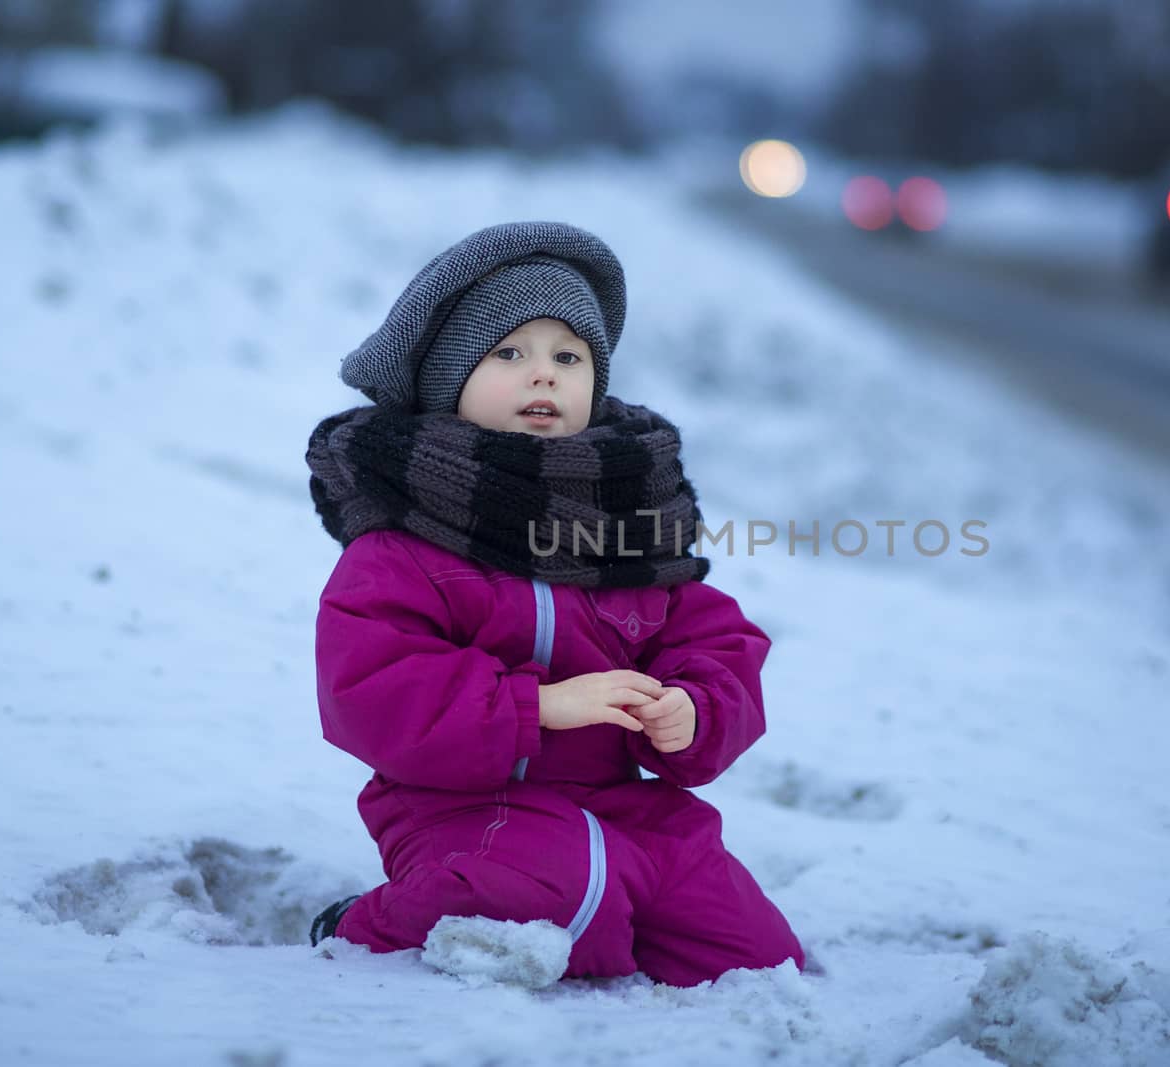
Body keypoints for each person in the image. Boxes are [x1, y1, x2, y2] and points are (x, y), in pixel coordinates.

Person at [303, 221, 805, 988]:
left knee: (756, 955)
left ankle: (626, 903)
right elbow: (371, 685)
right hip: (460, 809)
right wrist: (537, 707)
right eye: (509, 353)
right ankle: (362, 922)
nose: (544, 376)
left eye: (568, 357)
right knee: (564, 902)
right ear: (449, 381)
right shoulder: (405, 541)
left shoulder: (629, 521)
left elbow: (714, 639)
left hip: (623, 810)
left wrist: (693, 707)